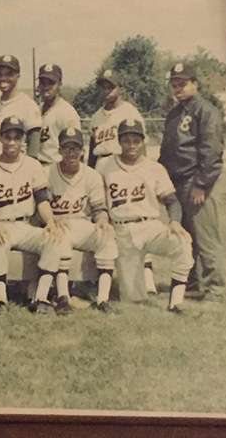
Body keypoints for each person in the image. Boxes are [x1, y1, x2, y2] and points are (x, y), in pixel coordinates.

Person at [96, 119, 194, 313]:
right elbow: (98, 202)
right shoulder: (105, 166)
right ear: (119, 141)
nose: (132, 145)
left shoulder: (154, 168)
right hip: (122, 231)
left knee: (182, 243)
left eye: (136, 140)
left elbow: (172, 201)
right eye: (127, 140)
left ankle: (175, 303)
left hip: (150, 227)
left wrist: (174, 222)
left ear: (143, 142)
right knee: (132, 298)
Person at [0, 116, 68, 315]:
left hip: (25, 225)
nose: (12, 142)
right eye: (7, 137)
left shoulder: (32, 165)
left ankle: (41, 297)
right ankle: (0, 299)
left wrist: (51, 221)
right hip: (1, 223)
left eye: (16, 137)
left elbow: (42, 200)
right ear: (0, 138)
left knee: (53, 239)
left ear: (23, 141)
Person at [158, 62, 225, 302]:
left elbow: (211, 151)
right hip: (176, 183)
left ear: (195, 83)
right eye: (174, 84)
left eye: (182, 84)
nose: (178, 88)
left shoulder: (205, 111)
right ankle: (194, 283)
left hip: (195, 182)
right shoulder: (175, 113)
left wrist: (201, 184)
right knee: (185, 238)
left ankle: (215, 289)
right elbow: (168, 150)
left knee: (205, 239)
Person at [87, 68, 154, 294]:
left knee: (133, 218)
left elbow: (140, 145)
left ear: (120, 88)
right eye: (103, 86)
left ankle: (147, 277)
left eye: (111, 86)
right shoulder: (96, 116)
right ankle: (101, 275)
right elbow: (91, 151)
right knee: (103, 217)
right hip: (101, 165)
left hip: (124, 166)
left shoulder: (129, 112)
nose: (106, 91)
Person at [48, 127, 119, 314]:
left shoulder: (92, 175)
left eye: (76, 148)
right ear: (59, 150)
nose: (71, 153)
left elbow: (99, 208)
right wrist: (51, 218)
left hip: (81, 223)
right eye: (67, 148)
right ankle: (63, 297)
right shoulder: (48, 172)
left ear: (83, 151)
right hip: (57, 224)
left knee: (107, 237)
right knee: (61, 238)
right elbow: (39, 207)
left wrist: (103, 220)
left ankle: (103, 299)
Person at [0, 55, 42, 160]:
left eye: (9, 74)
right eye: (0, 74)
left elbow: (33, 147)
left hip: (16, 167)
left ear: (18, 76)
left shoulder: (28, 105)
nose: (3, 78)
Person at [37, 64, 80, 168]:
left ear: (60, 84)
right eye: (43, 83)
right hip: (38, 167)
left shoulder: (67, 112)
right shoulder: (37, 109)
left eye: (51, 83)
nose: (46, 87)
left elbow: (75, 148)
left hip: (57, 168)